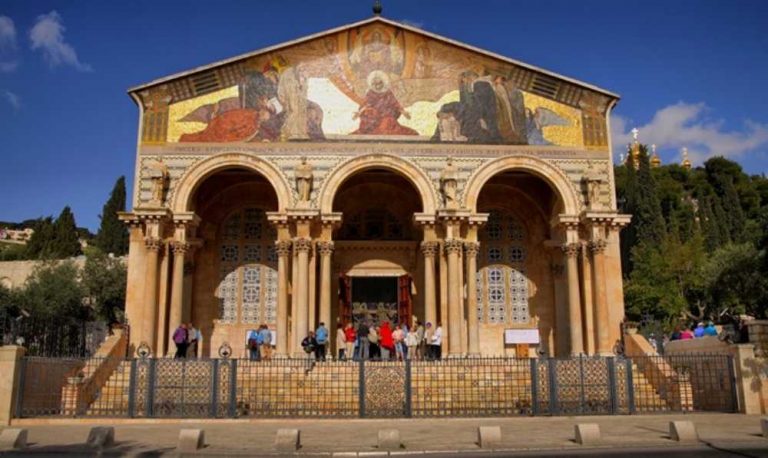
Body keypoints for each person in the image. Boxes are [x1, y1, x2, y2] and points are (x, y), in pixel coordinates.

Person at [352, 71, 418, 136]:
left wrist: (404, 112)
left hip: (386, 115)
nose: (377, 86)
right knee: (369, 113)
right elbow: (366, 104)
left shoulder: (388, 93)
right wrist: (359, 113)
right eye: (374, 84)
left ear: (383, 83)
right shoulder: (370, 93)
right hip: (375, 117)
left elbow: (395, 104)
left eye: (379, 83)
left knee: (387, 124)